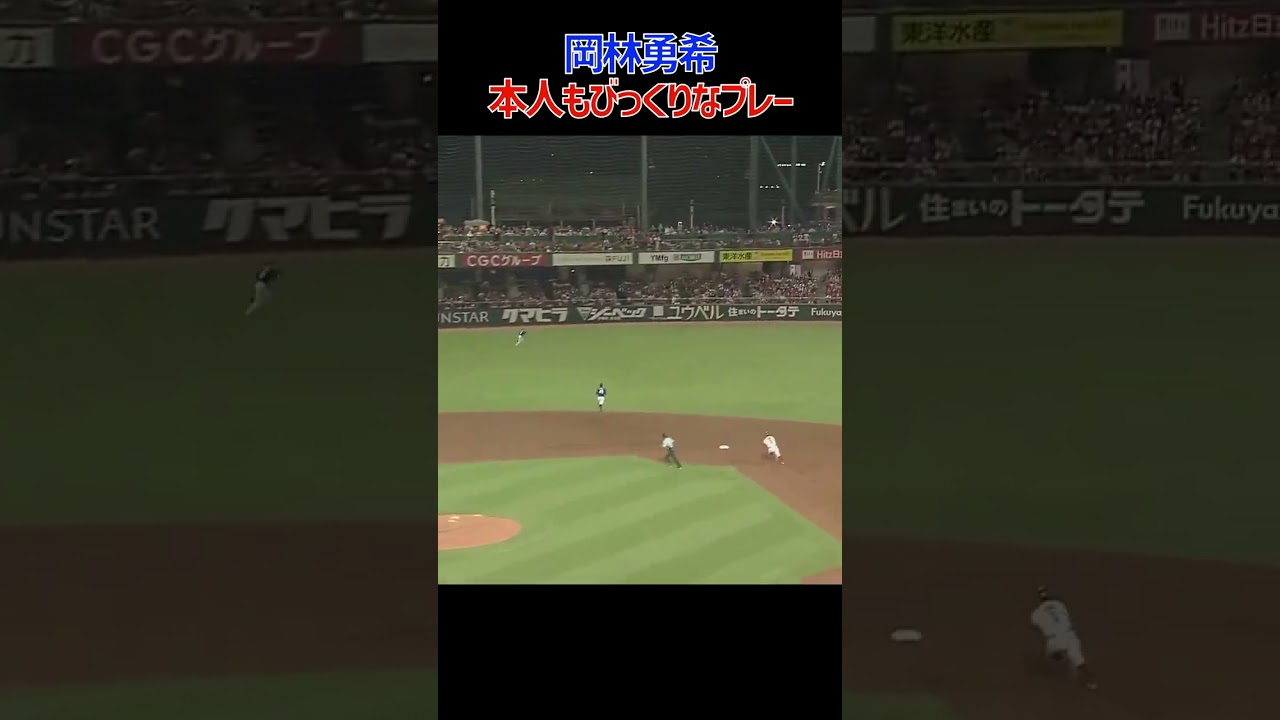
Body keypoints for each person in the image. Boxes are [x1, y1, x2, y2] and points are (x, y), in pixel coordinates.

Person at [1030, 586, 1097, 691]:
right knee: (1079, 661)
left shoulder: (1036, 613)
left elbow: (1035, 626)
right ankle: (1091, 682)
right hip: (1069, 635)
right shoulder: (1060, 605)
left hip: (1054, 640)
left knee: (1049, 654)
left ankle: (1061, 660)